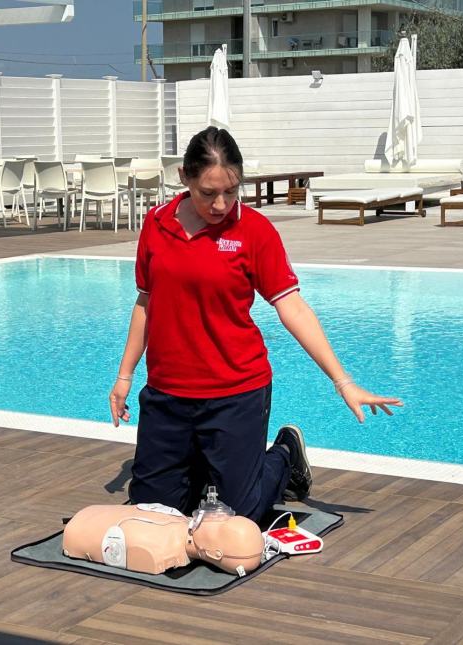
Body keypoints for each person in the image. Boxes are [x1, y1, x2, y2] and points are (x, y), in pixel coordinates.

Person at [109, 126, 402, 524]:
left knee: (237, 515)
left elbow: (292, 307)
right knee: (152, 510)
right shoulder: (157, 224)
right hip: (168, 393)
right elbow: (146, 300)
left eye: (231, 191)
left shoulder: (254, 231)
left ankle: (284, 453)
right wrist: (125, 376)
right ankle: (204, 467)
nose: (221, 204)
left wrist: (343, 381)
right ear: (184, 178)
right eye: (208, 192)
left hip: (236, 391)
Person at [62, 501, 265, 576]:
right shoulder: (179, 521)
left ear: (215, 553)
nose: (218, 517)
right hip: (87, 517)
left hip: (78, 530)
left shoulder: (157, 552)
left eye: (220, 527)